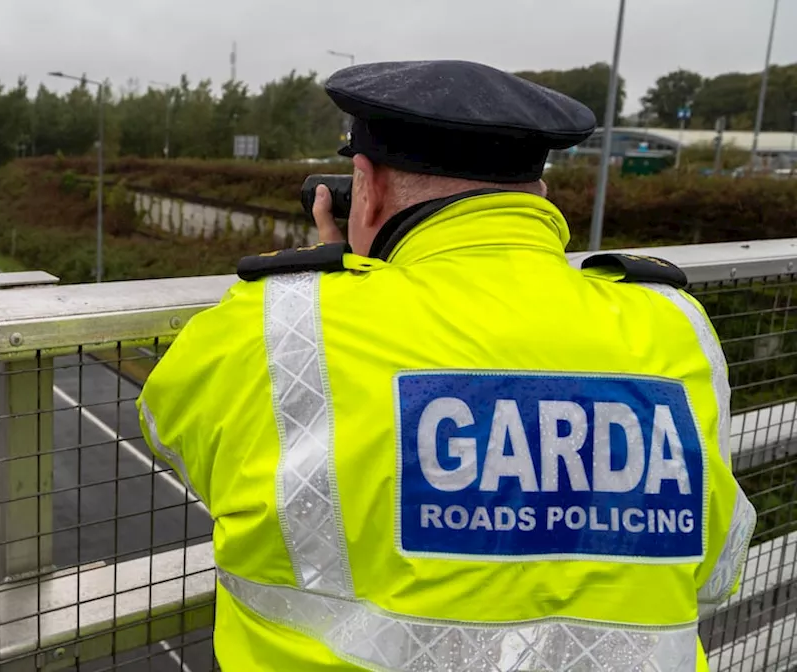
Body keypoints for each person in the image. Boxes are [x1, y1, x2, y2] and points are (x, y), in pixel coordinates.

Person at [136, 59, 755, 672]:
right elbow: (715, 570)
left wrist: (335, 279)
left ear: (367, 186)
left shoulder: (277, 325)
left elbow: (170, 429)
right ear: (537, 196)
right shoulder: (673, 324)